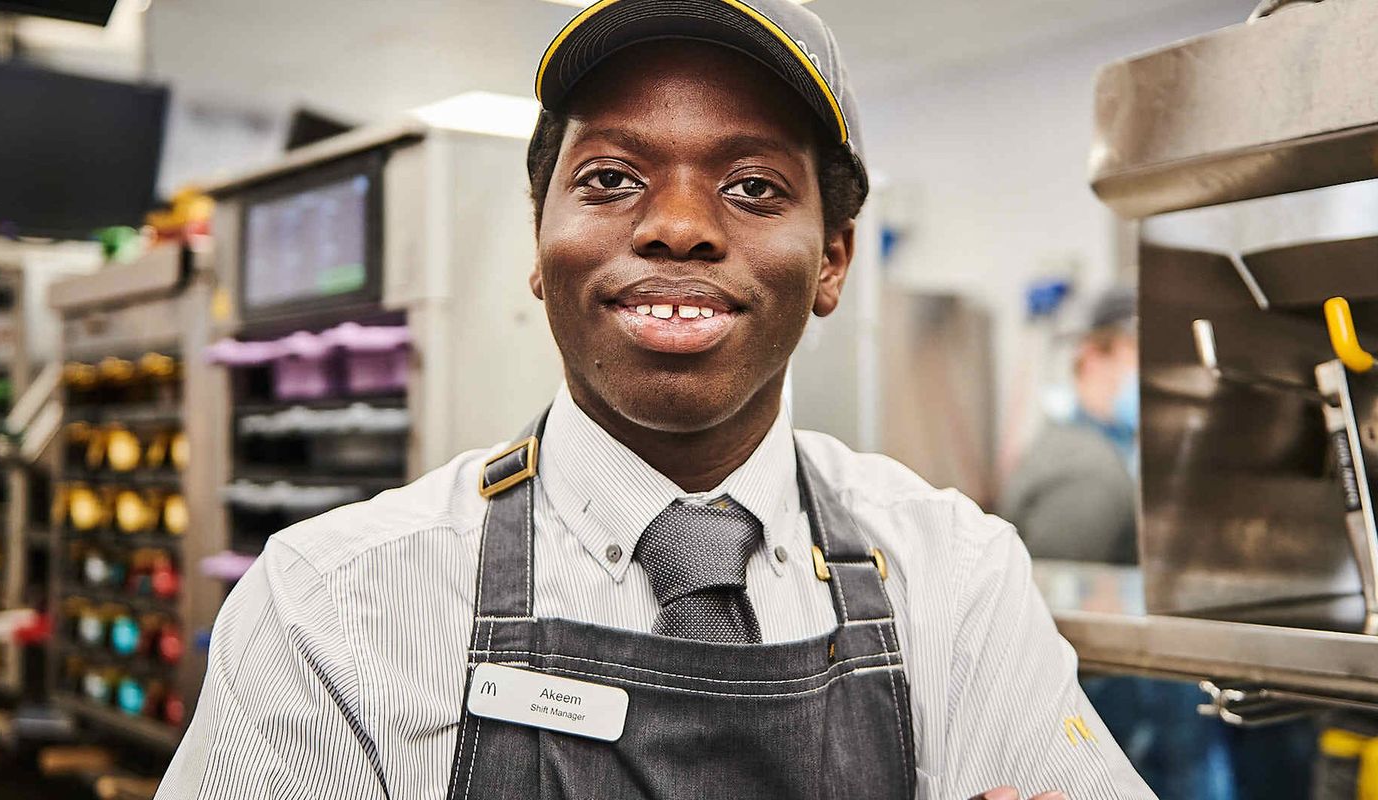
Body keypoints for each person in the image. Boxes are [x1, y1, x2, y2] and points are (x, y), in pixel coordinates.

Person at [157, 3, 1155, 798]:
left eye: (755, 186)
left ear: (833, 260)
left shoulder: (958, 579)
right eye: (611, 177)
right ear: (539, 245)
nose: (679, 226)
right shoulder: (326, 614)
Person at [1001, 289, 1139, 564]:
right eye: (1139, 359)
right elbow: (1052, 592)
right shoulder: (1089, 470)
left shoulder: (1081, 443)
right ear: (1092, 358)